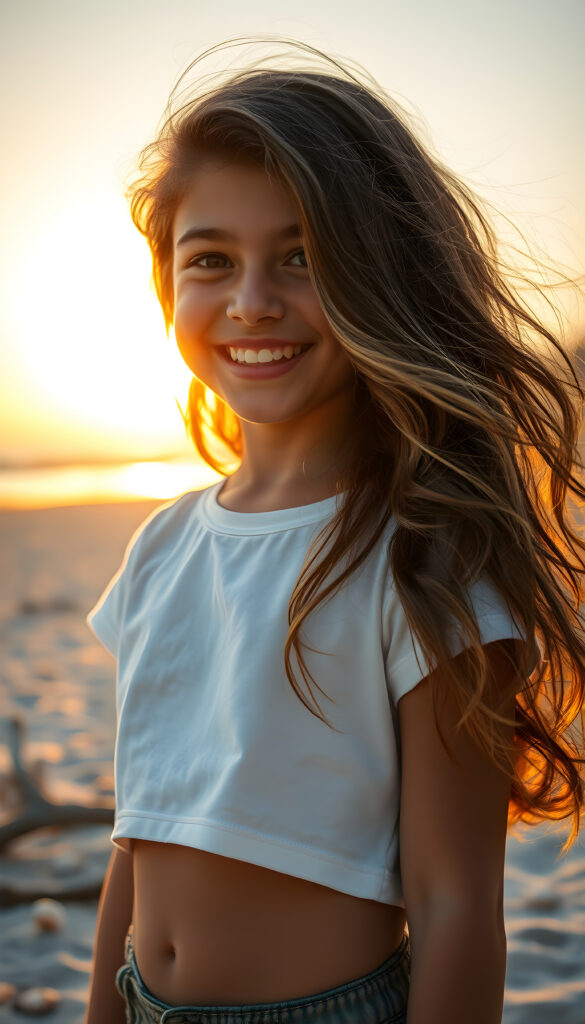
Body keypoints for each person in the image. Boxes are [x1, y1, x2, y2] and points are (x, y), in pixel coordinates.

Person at [84, 39, 585, 1024]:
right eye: (212, 261)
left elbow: (456, 909)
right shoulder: (161, 547)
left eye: (304, 257)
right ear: (166, 286)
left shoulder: (423, 557)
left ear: (384, 274)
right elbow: (136, 839)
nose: (253, 300)